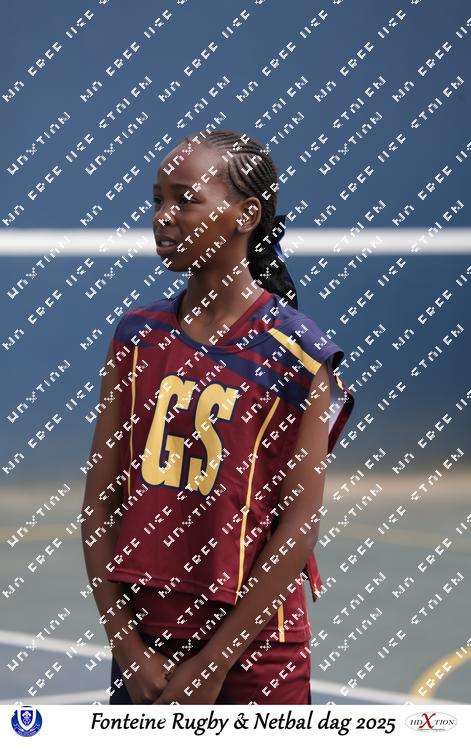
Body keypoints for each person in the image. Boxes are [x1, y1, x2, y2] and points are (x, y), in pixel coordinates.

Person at [81, 128, 355, 705]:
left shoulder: (298, 353)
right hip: (147, 641)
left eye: (185, 199)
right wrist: (128, 648)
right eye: (157, 199)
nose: (163, 216)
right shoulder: (137, 336)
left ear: (246, 215)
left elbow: (299, 525)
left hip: (258, 651)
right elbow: (99, 506)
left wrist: (212, 664)